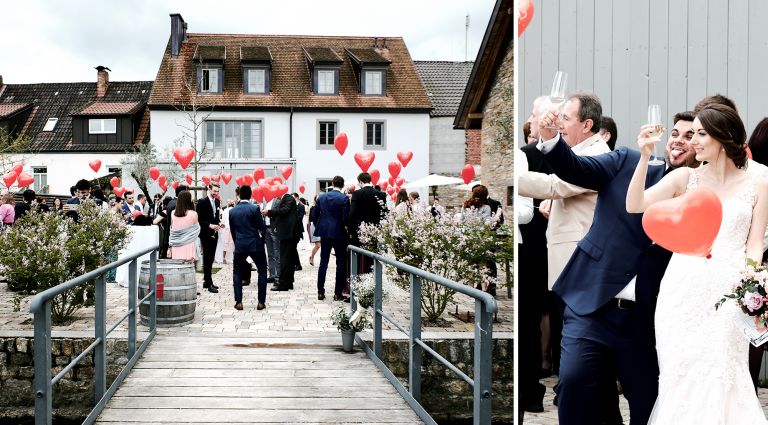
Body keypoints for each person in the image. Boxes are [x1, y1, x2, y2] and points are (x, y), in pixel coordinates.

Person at [535, 106, 700, 425]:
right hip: (592, 303)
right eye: (675, 133)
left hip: (649, 321)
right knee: (574, 383)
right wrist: (551, 138)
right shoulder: (626, 160)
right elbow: (576, 168)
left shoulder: (704, 194)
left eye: (690, 135)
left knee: (650, 404)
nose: (679, 140)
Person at [626, 104, 768, 423]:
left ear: (724, 135)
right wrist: (645, 156)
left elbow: (755, 243)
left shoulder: (758, 183)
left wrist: (750, 284)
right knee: (680, 375)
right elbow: (635, 204)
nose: (693, 142)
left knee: (723, 371)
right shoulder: (685, 178)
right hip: (682, 291)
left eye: (701, 134)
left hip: (728, 294)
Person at [228, 185, 268, 311]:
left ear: (239, 195)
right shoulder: (254, 208)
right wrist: (262, 240)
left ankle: (238, 301)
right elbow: (261, 227)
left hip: (240, 244)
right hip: (255, 244)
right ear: (250, 195)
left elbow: (233, 231)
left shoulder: (232, 211)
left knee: (237, 272)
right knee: (262, 271)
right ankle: (261, 302)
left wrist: (237, 242)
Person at [311, 175, 350, 301]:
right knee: (340, 263)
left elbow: (314, 215)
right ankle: (337, 293)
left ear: (332, 184)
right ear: (342, 185)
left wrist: (321, 225)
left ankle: (320, 291)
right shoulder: (344, 198)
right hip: (339, 233)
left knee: (323, 262)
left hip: (325, 232)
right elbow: (345, 218)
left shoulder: (322, 197)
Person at [348, 172, 388, 274]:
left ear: (361, 182)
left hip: (359, 231)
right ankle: (371, 276)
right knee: (372, 256)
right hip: (375, 231)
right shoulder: (381, 194)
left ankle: (358, 276)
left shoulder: (357, 194)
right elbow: (384, 214)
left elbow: (352, 214)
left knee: (357, 256)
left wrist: (351, 231)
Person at [263, 189, 299, 291]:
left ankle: (283, 284)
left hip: (289, 234)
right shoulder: (285, 199)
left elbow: (284, 211)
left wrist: (269, 212)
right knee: (289, 259)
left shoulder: (288, 198)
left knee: (285, 259)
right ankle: (288, 282)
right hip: (288, 233)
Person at [196, 183, 222, 293]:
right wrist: (209, 225)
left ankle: (207, 281)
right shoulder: (202, 202)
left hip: (214, 233)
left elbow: (216, 217)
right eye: (214, 191)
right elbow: (199, 219)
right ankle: (209, 282)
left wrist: (218, 224)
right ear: (209, 189)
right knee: (207, 258)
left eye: (217, 191)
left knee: (211, 258)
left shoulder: (217, 202)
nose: (216, 193)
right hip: (205, 233)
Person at [169, 191, 200, 263]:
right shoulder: (193, 214)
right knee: (188, 267)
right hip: (189, 244)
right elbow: (197, 230)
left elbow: (172, 230)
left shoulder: (173, 213)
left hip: (176, 245)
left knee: (177, 266)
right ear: (188, 200)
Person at [263, 195, 282, 284]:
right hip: (266, 228)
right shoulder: (264, 201)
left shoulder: (277, 201)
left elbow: (279, 214)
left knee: (277, 252)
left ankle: (278, 275)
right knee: (270, 253)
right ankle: (272, 275)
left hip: (274, 228)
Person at [219, 199, 236, 264]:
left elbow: (223, 220)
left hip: (226, 228)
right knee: (233, 243)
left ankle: (224, 258)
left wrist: (222, 224)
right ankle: (234, 258)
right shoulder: (235, 210)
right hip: (233, 228)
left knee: (225, 243)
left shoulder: (225, 210)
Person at [292, 193, 305, 271]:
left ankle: (297, 264)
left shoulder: (301, 206)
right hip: (291, 229)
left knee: (293, 247)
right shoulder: (291, 206)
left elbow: (300, 217)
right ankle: (296, 264)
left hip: (297, 229)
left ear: (297, 198)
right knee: (293, 248)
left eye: (293, 198)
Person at [308, 195, 321, 266]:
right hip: (316, 227)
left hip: (323, 228)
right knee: (318, 245)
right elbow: (311, 218)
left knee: (323, 245)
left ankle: (322, 261)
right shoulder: (313, 207)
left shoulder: (324, 207)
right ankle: (312, 257)